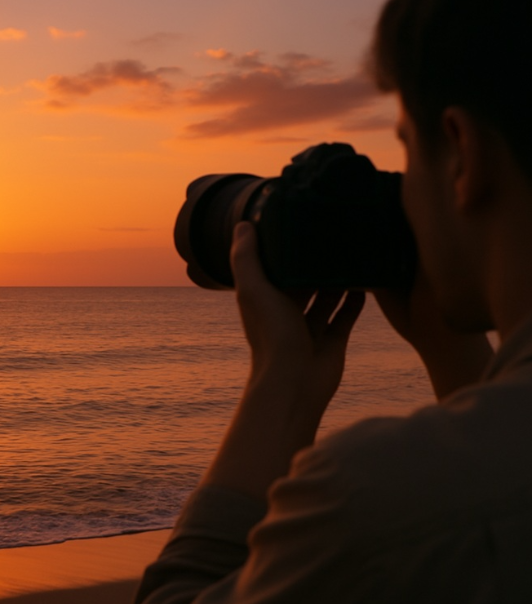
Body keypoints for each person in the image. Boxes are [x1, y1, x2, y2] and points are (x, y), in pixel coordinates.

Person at [135, 0, 532, 601]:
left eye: (408, 153)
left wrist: (280, 381)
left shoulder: (374, 506)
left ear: (461, 155)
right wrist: (456, 354)